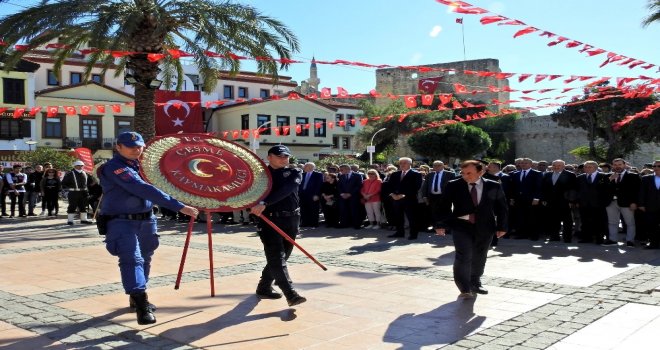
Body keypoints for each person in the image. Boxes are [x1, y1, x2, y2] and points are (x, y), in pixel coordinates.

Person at [99, 131, 198, 325]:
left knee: (145, 258)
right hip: (121, 221)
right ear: (118, 147)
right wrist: (179, 206)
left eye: (139, 146)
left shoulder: (144, 167)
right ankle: (142, 304)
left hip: (146, 220)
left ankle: (136, 297)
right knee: (131, 259)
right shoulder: (115, 168)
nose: (136, 149)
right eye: (130, 146)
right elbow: (142, 188)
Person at [434, 160, 508, 298]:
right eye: (463, 173)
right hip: (461, 226)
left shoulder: (493, 185)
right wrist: (440, 224)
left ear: (481, 172)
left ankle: (475, 281)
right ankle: (464, 287)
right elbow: (443, 206)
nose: (465, 176)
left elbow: (501, 207)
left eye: (469, 173)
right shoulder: (453, 185)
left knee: (480, 255)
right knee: (464, 255)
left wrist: (502, 226)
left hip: (485, 227)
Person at [250, 145, 306, 307]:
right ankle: (290, 293)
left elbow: (287, 190)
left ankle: (264, 287)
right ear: (269, 157)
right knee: (276, 256)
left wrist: (264, 203)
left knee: (283, 256)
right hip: (269, 220)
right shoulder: (260, 176)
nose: (284, 159)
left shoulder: (295, 172)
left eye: (286, 156)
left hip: (292, 218)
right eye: (280, 156)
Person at [605, 158, 641, 247]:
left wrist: (634, 202)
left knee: (630, 222)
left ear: (624, 165)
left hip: (627, 203)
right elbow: (600, 187)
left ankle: (630, 241)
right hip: (611, 203)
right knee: (612, 222)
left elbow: (637, 191)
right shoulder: (608, 175)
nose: (617, 167)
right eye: (615, 165)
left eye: (619, 165)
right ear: (613, 166)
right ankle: (613, 240)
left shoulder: (633, 176)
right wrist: (609, 179)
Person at [541, 160, 577, 243]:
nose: (556, 167)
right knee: (553, 219)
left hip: (565, 201)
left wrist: (571, 201)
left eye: (559, 165)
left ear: (563, 166)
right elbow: (544, 188)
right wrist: (544, 199)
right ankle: (554, 236)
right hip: (551, 201)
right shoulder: (547, 174)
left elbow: (573, 189)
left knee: (567, 221)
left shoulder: (570, 175)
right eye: (554, 165)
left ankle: (567, 238)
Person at [575, 161, 611, 244]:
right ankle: (586, 238)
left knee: (599, 221)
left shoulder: (603, 176)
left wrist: (605, 202)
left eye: (589, 167)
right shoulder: (580, 177)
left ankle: (599, 238)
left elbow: (608, 191)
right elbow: (577, 190)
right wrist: (577, 201)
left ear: (595, 168)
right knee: (585, 221)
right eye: (586, 167)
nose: (587, 168)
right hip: (584, 204)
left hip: (599, 204)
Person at [387, 157, 423, 240]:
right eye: (401, 163)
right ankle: (400, 232)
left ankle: (413, 234)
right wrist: (392, 194)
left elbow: (416, 187)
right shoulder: (395, 174)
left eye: (404, 163)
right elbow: (389, 186)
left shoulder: (416, 174)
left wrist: (404, 195)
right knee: (398, 217)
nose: (402, 165)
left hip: (409, 200)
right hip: (396, 199)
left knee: (412, 218)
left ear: (410, 164)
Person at [61, 160, 96, 225]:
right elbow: (64, 183)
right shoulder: (70, 174)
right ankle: (70, 220)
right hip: (73, 192)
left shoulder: (86, 173)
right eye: (78, 165)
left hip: (84, 192)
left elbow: (91, 182)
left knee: (83, 206)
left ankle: (84, 220)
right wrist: (67, 190)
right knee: (72, 206)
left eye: (81, 166)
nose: (80, 167)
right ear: (74, 166)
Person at [638, 160, 660, 249]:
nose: (656, 168)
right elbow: (642, 192)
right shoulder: (646, 178)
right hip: (650, 206)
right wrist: (641, 204)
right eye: (654, 166)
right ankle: (653, 244)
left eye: (659, 166)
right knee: (651, 226)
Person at [337, 164, 364, 229]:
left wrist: (350, 194)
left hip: (354, 196)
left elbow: (359, 186)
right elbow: (339, 186)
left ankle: (356, 224)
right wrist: (342, 194)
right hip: (343, 196)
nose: (340, 171)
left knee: (354, 210)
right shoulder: (341, 176)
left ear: (347, 169)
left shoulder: (357, 175)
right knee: (344, 210)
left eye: (341, 170)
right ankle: (344, 224)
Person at [298, 162, 324, 228]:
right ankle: (304, 223)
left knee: (314, 209)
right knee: (303, 209)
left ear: (311, 167)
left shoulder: (318, 175)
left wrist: (317, 195)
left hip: (313, 195)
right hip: (303, 195)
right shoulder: (302, 174)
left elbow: (319, 185)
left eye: (306, 166)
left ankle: (314, 223)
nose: (304, 168)